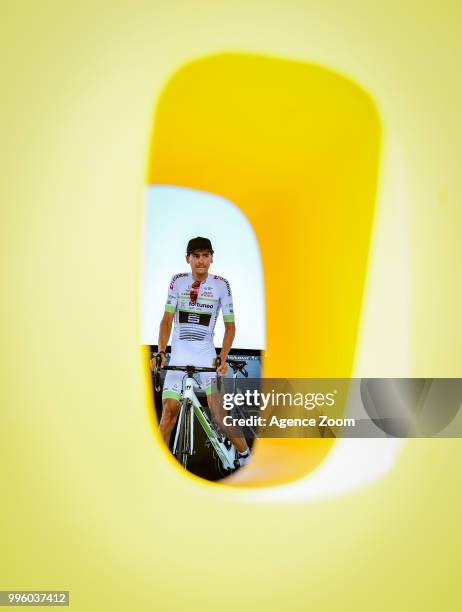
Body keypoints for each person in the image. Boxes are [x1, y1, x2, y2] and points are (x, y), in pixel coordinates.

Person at [152, 236, 251, 466]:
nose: (201, 261)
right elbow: (166, 321)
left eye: (205, 256)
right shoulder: (177, 281)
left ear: (211, 258)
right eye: (196, 256)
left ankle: (246, 456)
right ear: (188, 258)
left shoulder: (221, 284)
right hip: (179, 356)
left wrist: (223, 358)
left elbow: (230, 326)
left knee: (219, 416)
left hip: (207, 358)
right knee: (167, 414)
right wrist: (161, 352)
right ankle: (158, 467)